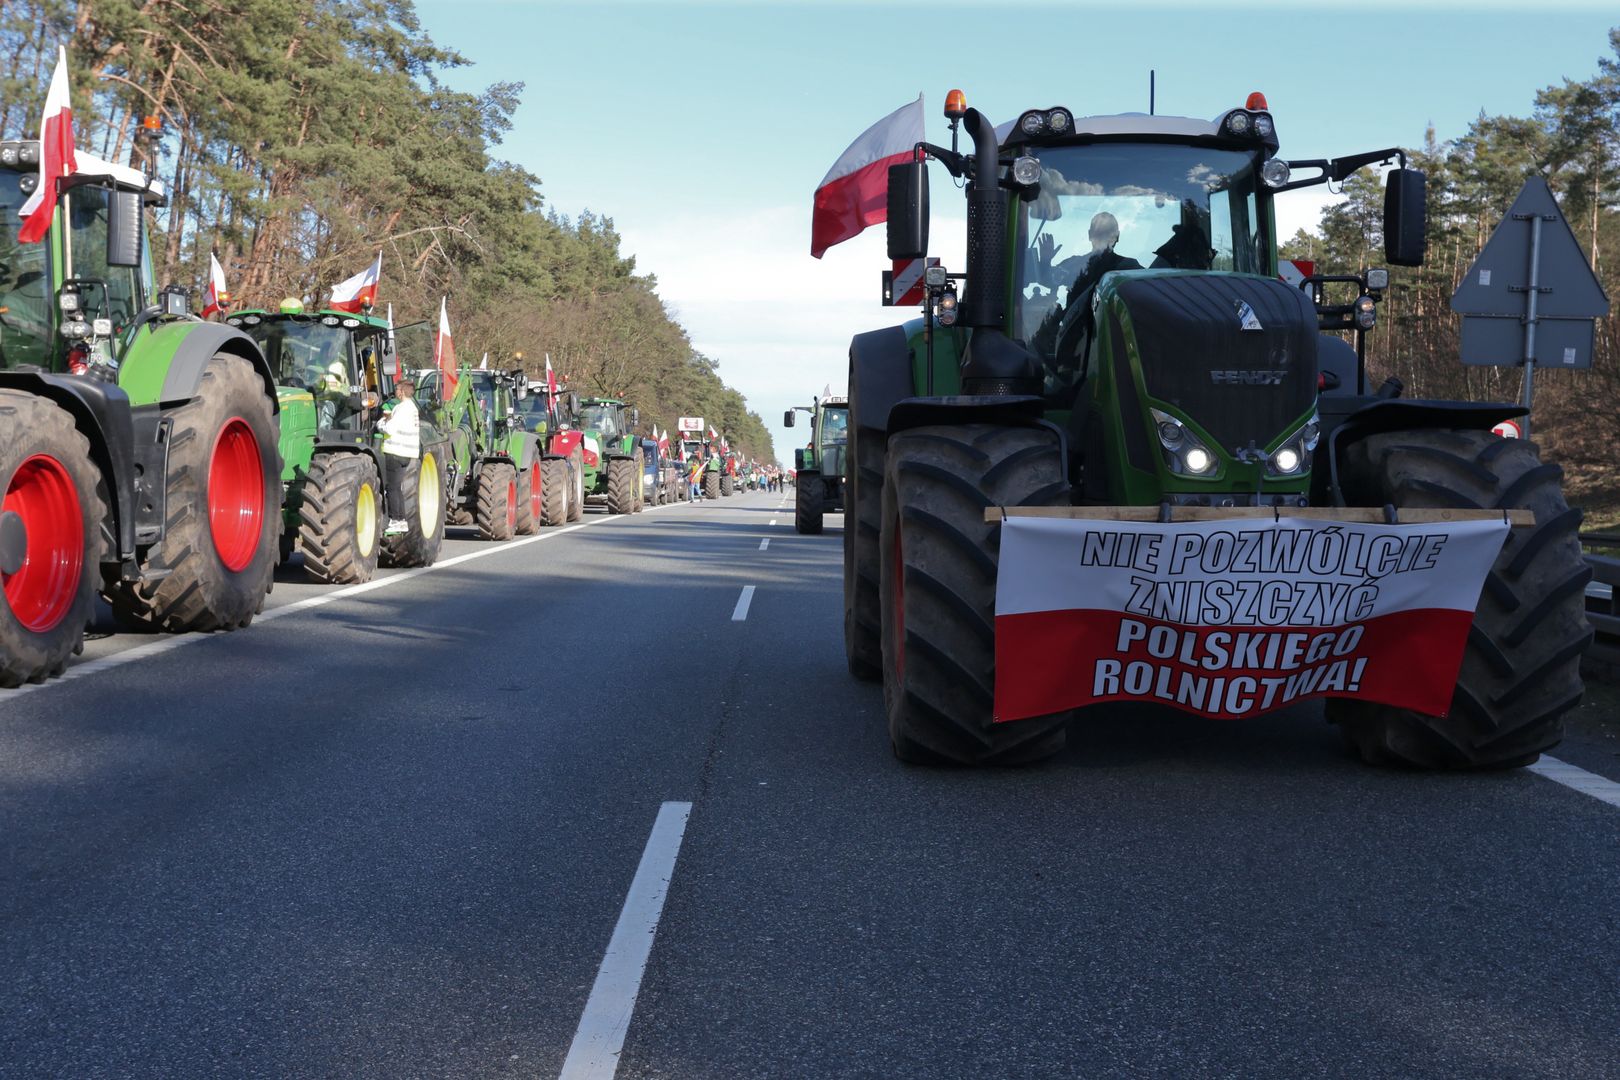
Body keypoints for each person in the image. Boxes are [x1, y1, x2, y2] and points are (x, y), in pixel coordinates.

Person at [379, 379, 420, 536]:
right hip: (407, 453)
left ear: (402, 391)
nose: (395, 391)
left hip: (395, 451)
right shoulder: (413, 408)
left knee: (392, 488)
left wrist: (381, 422)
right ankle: (401, 520)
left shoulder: (401, 408)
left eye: (397, 389)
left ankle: (396, 519)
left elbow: (389, 428)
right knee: (397, 487)